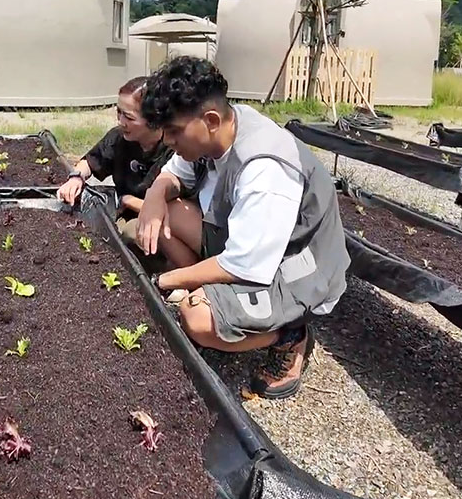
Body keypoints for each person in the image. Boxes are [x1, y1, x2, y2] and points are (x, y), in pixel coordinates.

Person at [135, 56, 349, 400]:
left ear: (210, 120)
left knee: (196, 317)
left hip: (294, 271)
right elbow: (173, 175)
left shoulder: (265, 168)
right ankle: (215, 297)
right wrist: (156, 194)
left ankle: (288, 336)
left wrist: (160, 283)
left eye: (173, 131)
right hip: (248, 245)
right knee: (168, 218)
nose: (168, 141)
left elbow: (243, 265)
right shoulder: (221, 130)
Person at [55, 77, 174, 263]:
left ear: (154, 120)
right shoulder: (120, 139)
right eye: (119, 112)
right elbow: (91, 161)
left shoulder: (174, 149)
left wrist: (128, 200)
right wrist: (76, 178)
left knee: (130, 233)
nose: (121, 121)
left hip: (163, 223)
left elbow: (176, 211)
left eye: (129, 117)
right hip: (125, 213)